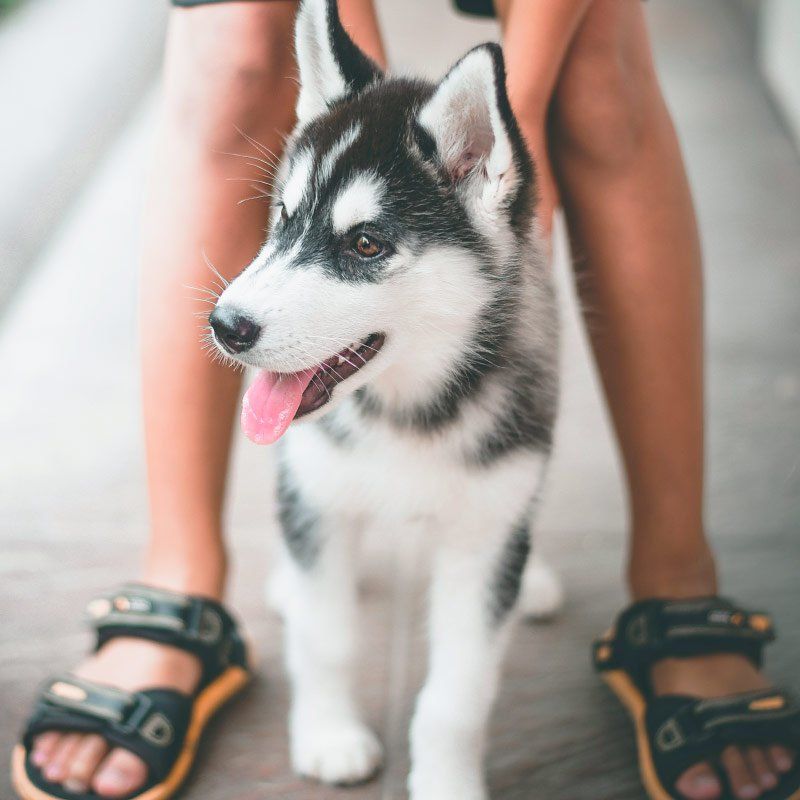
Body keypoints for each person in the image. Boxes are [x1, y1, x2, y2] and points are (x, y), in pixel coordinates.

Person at [13, 2, 797, 800]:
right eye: (281, 218)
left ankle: (676, 579)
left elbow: (495, 140)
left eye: (363, 247)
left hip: (483, 308)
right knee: (236, 43)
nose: (246, 301)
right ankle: (180, 576)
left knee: (596, 75)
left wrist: (511, 141)